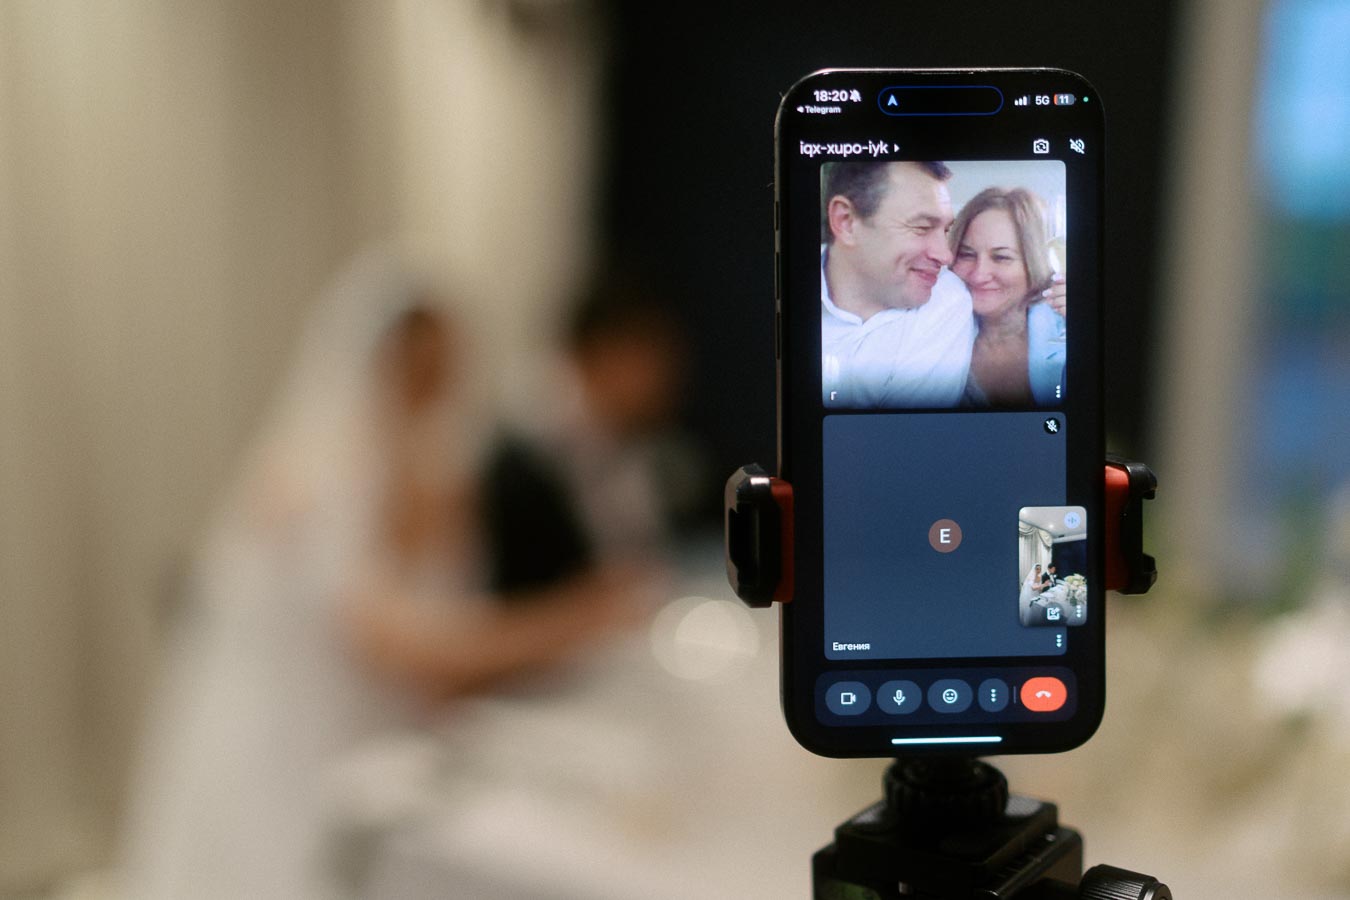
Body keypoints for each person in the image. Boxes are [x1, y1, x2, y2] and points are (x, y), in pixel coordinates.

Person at [120, 252, 644, 900]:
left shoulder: (443, 480)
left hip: (392, 756)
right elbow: (402, 647)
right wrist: (579, 615)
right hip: (295, 754)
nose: (430, 385)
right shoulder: (308, 482)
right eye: (413, 366)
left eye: (441, 365)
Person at [819, 160, 975, 408]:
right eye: (922, 227)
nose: (945, 256)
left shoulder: (945, 299)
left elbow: (904, 437)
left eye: (945, 230)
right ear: (846, 221)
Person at [949, 187, 1067, 407]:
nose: (979, 274)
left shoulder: (1068, 330)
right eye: (967, 254)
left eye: (1001, 257)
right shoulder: (931, 331)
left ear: (1035, 262)